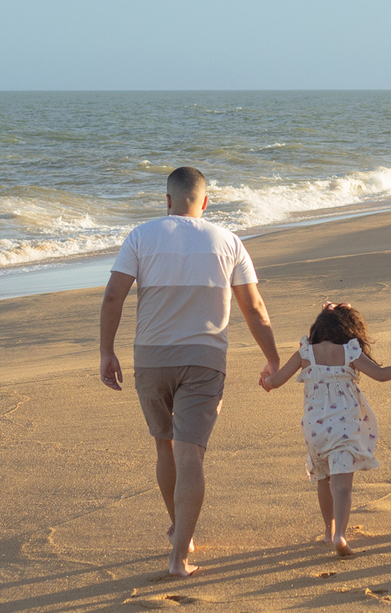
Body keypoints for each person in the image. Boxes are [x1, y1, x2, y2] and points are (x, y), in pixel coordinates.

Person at [99, 166, 281, 577]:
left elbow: (114, 296)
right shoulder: (228, 241)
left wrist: (105, 351)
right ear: (205, 201)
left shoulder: (141, 236)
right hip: (204, 358)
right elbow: (253, 307)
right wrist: (272, 358)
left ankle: (179, 531)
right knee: (190, 453)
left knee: (165, 447)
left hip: (151, 357)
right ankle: (180, 556)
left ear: (166, 201)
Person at [260, 302, 391, 556]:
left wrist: (266, 382)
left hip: (315, 429)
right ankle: (340, 535)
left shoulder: (305, 352)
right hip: (343, 428)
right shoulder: (350, 352)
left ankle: (328, 530)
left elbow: (277, 381)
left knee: (323, 479)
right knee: (342, 485)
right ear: (348, 330)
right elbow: (380, 374)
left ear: (318, 329)